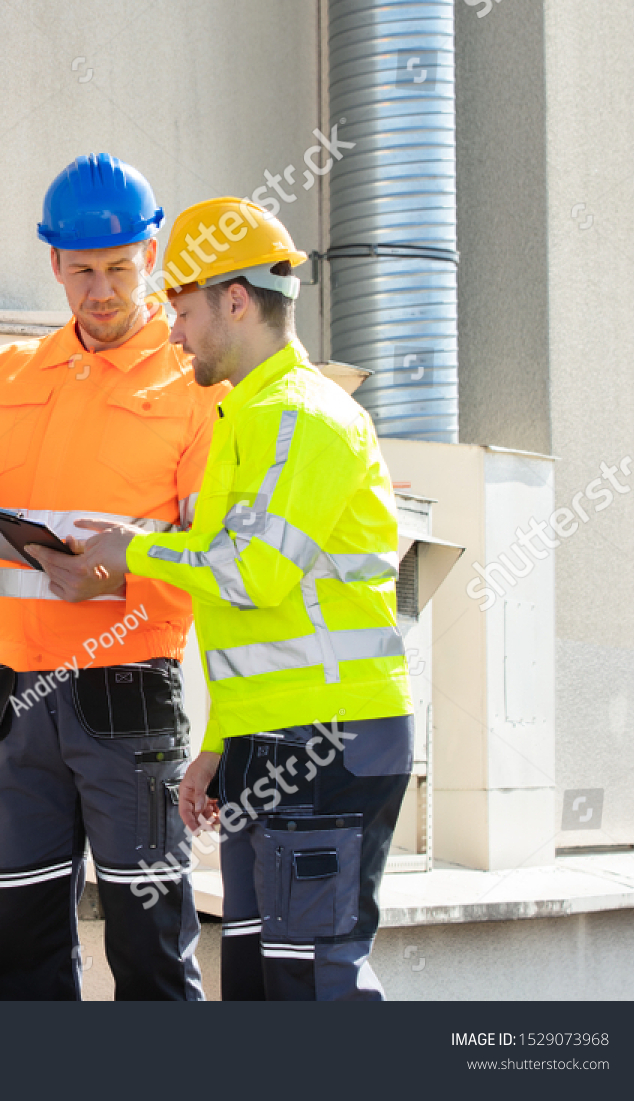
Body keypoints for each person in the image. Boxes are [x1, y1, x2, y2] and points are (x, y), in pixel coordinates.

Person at [62, 196, 413, 1000]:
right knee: (261, 982)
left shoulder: (304, 416)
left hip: (331, 737)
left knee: (317, 982)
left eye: (181, 310)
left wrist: (133, 552)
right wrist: (223, 740)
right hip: (275, 733)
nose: (174, 332)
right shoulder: (246, 419)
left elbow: (256, 573)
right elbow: (252, 615)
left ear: (235, 299)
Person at [0, 154, 220, 1000]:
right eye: (83, 272)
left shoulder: (194, 386)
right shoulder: (1, 378)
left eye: (119, 268)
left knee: (151, 951)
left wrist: (132, 548)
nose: (101, 290)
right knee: (20, 948)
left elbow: (216, 544)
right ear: (54, 266)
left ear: (151, 257)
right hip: (15, 705)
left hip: (129, 693)